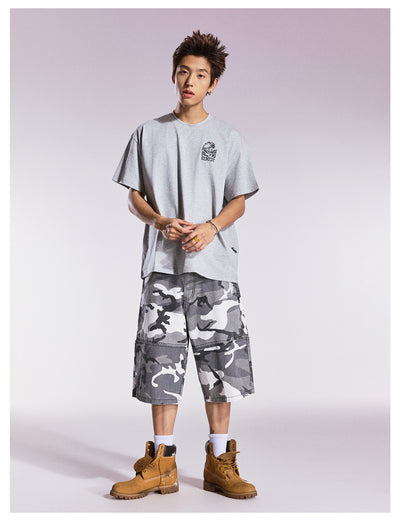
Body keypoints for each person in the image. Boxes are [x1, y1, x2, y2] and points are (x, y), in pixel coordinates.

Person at [110, 29, 259, 501]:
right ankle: (162, 463)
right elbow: (134, 196)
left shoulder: (228, 137)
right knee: (161, 359)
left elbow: (239, 200)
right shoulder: (148, 133)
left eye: (200, 75)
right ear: (173, 76)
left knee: (221, 363)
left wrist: (212, 227)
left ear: (213, 83)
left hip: (216, 268)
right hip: (163, 266)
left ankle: (220, 461)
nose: (190, 81)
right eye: (183, 72)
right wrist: (158, 220)